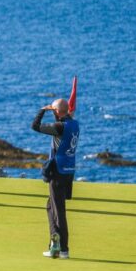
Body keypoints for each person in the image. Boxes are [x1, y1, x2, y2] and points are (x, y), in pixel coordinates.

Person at [32, 98, 80, 259]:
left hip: (58, 172)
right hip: (69, 171)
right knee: (50, 206)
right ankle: (55, 243)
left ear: (57, 112)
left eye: (54, 110)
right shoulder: (74, 124)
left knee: (58, 211)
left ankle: (62, 248)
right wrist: (57, 112)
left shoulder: (59, 127)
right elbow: (64, 121)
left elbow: (35, 126)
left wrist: (42, 110)